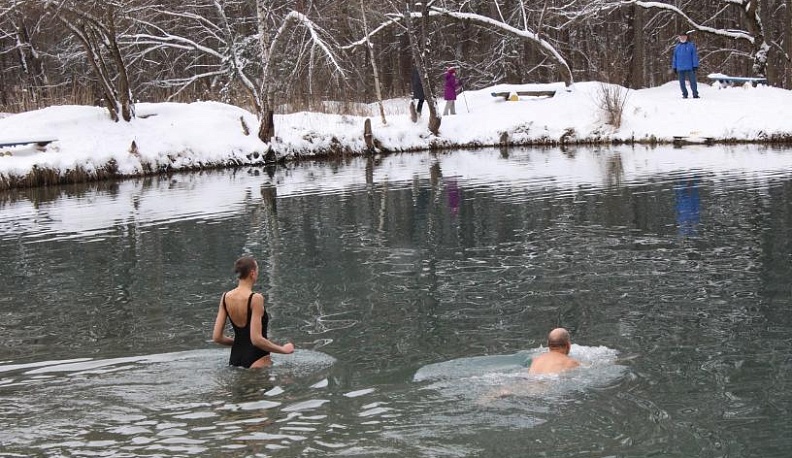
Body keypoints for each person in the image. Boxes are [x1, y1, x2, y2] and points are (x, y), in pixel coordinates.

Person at [212, 256, 294, 368]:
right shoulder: (256, 298)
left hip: (235, 358)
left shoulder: (225, 297)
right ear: (252, 273)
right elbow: (256, 340)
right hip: (257, 358)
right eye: (258, 270)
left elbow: (217, 337)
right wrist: (283, 350)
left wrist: (240, 343)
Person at [672, 31, 700, 99]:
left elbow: (694, 56)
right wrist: (674, 67)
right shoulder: (677, 47)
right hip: (680, 68)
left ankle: (695, 94)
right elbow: (674, 58)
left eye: (684, 37)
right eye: (681, 37)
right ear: (679, 38)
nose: (682, 38)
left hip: (690, 67)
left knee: (693, 82)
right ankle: (685, 94)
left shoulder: (691, 45)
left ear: (686, 37)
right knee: (682, 83)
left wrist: (695, 65)